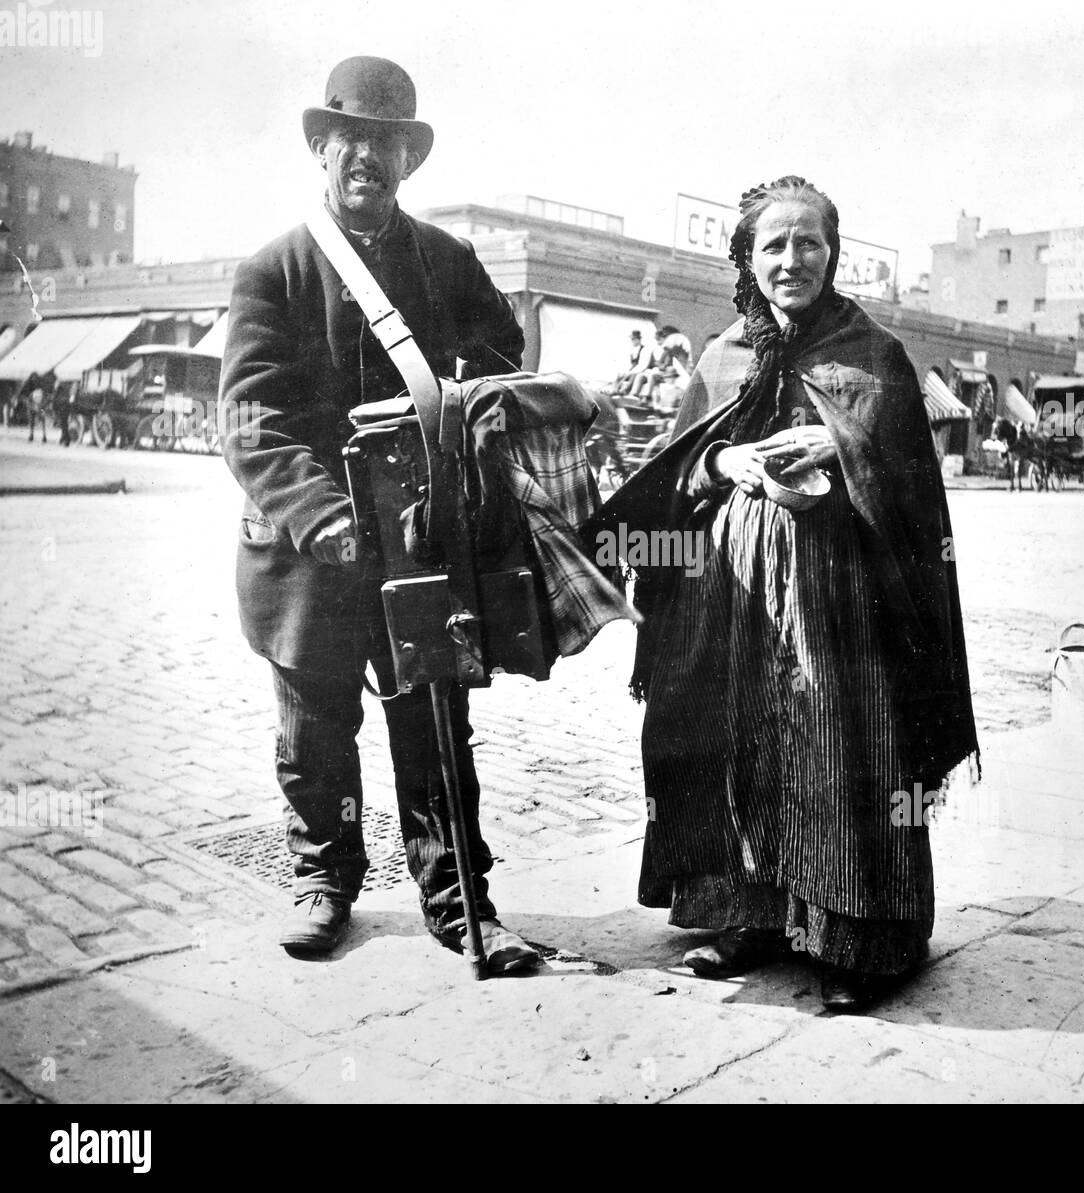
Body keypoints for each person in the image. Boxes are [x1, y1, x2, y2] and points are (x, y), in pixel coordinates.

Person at [596, 176, 978, 1012]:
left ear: (834, 254)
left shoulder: (873, 353)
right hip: (730, 591)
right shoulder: (722, 354)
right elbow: (673, 470)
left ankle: (864, 939)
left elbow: (913, 487)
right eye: (773, 245)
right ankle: (750, 915)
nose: (791, 259)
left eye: (809, 242)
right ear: (748, 257)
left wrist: (843, 452)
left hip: (841, 595)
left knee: (839, 744)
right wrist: (726, 463)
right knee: (736, 737)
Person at [219, 56, 539, 972]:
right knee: (314, 725)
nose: (369, 156)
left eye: (388, 144)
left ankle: (458, 899)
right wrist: (321, 512)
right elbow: (251, 420)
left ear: (410, 161)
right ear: (322, 148)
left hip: (421, 538)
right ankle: (325, 884)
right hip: (308, 547)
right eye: (351, 138)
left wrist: (459, 387)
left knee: (434, 720)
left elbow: (497, 348)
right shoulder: (273, 269)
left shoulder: (447, 261)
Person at [613, 329, 653, 395]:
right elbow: (630, 364)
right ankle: (614, 390)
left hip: (641, 370)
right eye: (631, 339)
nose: (631, 341)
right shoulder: (632, 350)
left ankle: (625, 390)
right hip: (633, 370)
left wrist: (631, 372)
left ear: (638, 339)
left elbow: (643, 365)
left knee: (633, 375)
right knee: (620, 375)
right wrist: (626, 372)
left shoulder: (645, 350)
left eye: (633, 339)